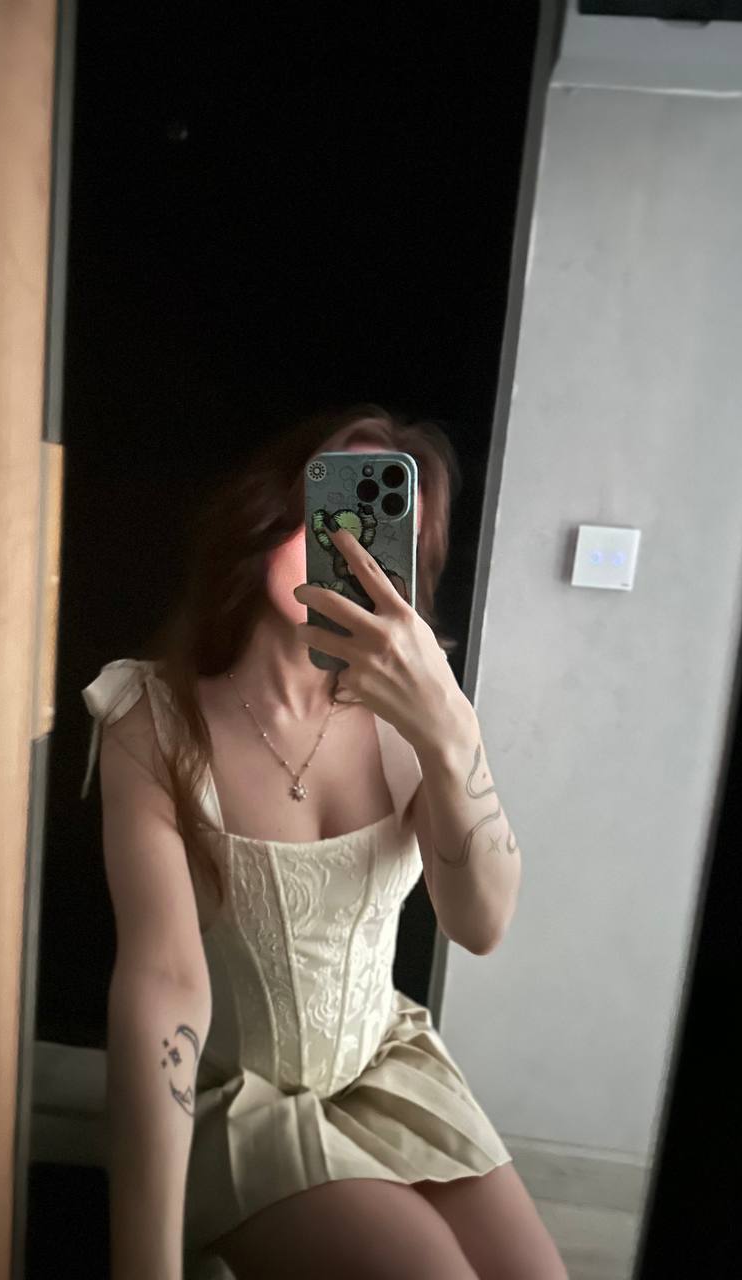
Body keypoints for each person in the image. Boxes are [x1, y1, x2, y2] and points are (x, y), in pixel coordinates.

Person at [81, 405, 568, 1279]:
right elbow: (163, 983)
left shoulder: (413, 720)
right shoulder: (151, 720)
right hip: (238, 1099)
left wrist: (451, 734)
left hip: (387, 1066)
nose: (345, 542)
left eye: (377, 526)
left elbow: (481, 924)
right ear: (270, 508)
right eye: (330, 505)